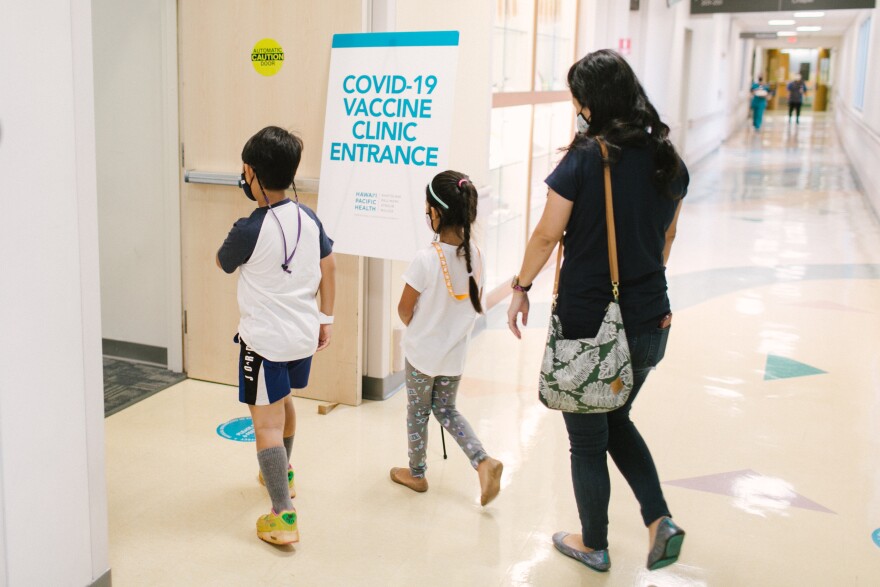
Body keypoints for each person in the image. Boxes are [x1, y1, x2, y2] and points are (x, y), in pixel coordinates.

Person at [506, 49, 689, 573]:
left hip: (590, 321)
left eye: (578, 99)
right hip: (654, 319)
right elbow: (667, 237)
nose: (577, 108)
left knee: (587, 438)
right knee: (616, 419)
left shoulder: (588, 157)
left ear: (593, 102)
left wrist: (521, 286)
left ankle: (594, 542)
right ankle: (659, 520)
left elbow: (547, 234)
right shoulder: (668, 160)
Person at [216, 126, 336, 545]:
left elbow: (223, 262)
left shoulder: (249, 228)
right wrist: (327, 318)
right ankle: (283, 473)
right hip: (302, 336)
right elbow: (330, 267)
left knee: (265, 424)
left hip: (264, 342)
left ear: (250, 173)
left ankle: (283, 515)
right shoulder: (309, 216)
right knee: (284, 404)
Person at [391, 170, 504, 506]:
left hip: (422, 356)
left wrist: (416, 325)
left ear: (437, 214)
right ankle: (483, 461)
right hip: (453, 357)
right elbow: (475, 303)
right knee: (446, 409)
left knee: (418, 413)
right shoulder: (478, 257)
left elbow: (404, 308)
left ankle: (417, 472)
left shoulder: (426, 259)